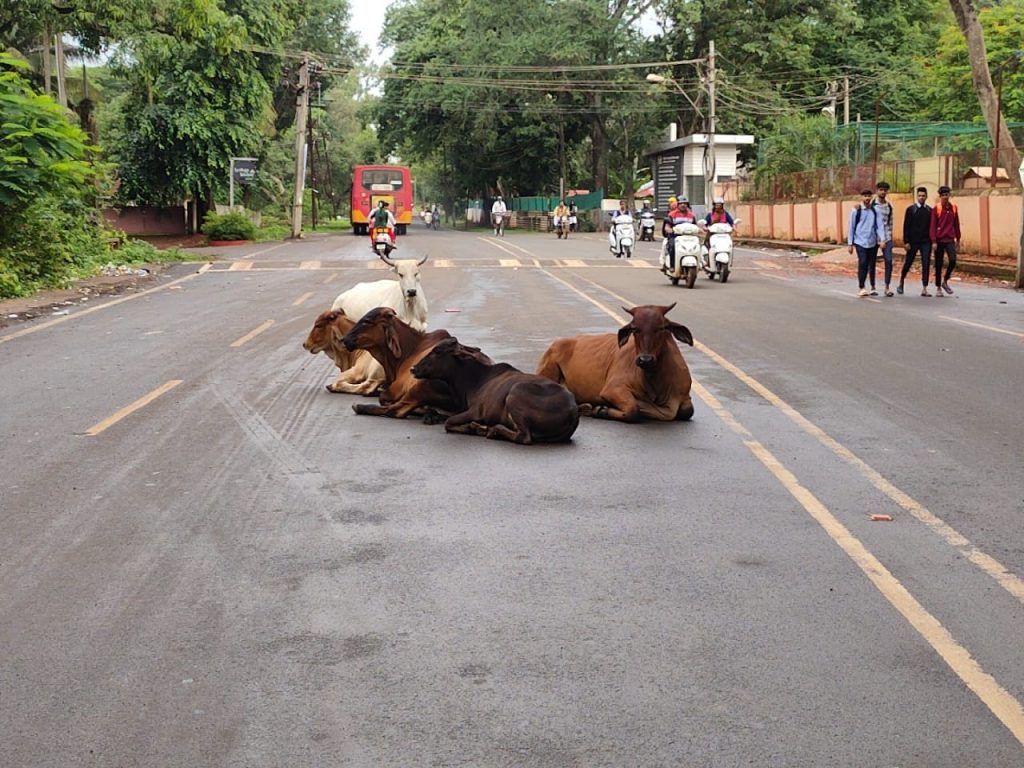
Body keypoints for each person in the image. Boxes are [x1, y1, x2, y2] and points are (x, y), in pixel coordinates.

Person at [847, 188, 886, 297]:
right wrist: (850, 243)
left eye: (869, 196)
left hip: (872, 241)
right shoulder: (856, 210)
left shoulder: (875, 210)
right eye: (865, 196)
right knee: (863, 262)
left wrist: (882, 239)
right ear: (862, 197)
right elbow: (851, 227)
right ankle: (861, 287)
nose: (867, 198)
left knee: (872, 264)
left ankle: (873, 287)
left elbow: (879, 225)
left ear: (872, 197)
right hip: (860, 241)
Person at [898, 186, 932, 296]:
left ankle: (925, 288)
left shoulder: (929, 210)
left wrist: (932, 241)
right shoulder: (911, 210)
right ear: (917, 196)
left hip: (926, 241)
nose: (921, 197)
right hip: (913, 241)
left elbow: (931, 227)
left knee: (926, 263)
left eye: (923, 196)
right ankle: (901, 281)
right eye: (919, 196)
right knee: (908, 262)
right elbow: (906, 226)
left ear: (926, 197)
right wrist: (906, 241)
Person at [930, 185, 961, 296]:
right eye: (943, 195)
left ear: (949, 195)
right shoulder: (937, 209)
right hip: (939, 239)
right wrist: (933, 241)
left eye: (946, 195)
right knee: (939, 263)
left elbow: (956, 224)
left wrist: (958, 238)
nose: (945, 197)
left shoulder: (954, 208)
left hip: (949, 239)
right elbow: (933, 225)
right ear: (940, 196)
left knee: (953, 260)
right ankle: (938, 287)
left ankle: (945, 280)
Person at [659, 196, 696, 272]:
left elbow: (695, 226)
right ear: (678, 205)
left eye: (685, 203)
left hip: (689, 237)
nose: (683, 205)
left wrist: (701, 230)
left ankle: (700, 263)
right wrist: (669, 230)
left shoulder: (691, 215)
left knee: (697, 246)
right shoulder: (672, 214)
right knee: (672, 246)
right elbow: (667, 226)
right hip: (675, 236)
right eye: (681, 203)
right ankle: (672, 265)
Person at [873, 181, 895, 296]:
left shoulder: (889, 206)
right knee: (871, 262)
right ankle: (872, 287)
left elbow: (890, 223)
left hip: (886, 237)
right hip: (873, 237)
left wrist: (890, 237)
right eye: (881, 190)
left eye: (885, 190)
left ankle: (887, 287)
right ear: (877, 191)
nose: (883, 192)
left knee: (889, 261)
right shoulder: (872, 205)